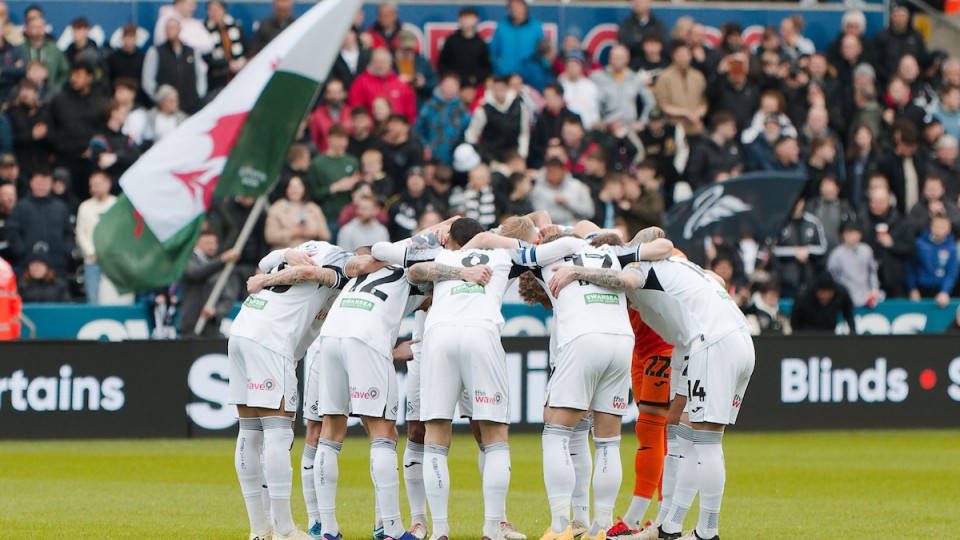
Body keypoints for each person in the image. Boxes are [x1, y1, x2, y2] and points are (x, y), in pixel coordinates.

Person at [548, 247, 755, 540]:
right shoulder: (686, 268)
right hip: (731, 340)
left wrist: (577, 272)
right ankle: (669, 527)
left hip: (713, 343)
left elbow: (627, 281)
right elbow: (716, 281)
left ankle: (708, 532)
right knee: (682, 428)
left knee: (707, 441)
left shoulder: (644, 270)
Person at [313, 231, 491, 540]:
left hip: (331, 336)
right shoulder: (415, 266)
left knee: (330, 429)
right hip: (365, 336)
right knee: (383, 431)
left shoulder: (371, 265)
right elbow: (434, 288)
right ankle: (392, 530)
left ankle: (326, 529)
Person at [229, 241, 378, 540]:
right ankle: (284, 530)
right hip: (272, 339)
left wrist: (283, 256)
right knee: (277, 432)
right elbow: (323, 273)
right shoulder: (343, 261)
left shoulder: (308, 246)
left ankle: (259, 529)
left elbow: (266, 259)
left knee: (249, 431)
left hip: (242, 330)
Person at [50, 61, 108, 197]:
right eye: (72, 74)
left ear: (89, 78)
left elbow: (104, 130)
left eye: (79, 75)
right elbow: (52, 127)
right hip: (65, 158)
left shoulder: (100, 102)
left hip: (89, 159)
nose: (74, 78)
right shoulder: (60, 100)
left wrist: (94, 148)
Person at [5, 169, 73, 275]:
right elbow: (12, 232)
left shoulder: (61, 207)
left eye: (45, 182)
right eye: (38, 182)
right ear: (31, 183)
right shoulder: (20, 207)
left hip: (57, 265)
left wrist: (65, 251)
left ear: (51, 184)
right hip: (27, 267)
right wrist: (21, 251)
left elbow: (69, 233)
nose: (42, 186)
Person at [177, 229, 240, 338]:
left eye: (215, 243)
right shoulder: (186, 259)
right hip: (190, 325)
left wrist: (216, 311)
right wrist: (222, 260)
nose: (212, 246)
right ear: (197, 242)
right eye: (208, 243)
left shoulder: (222, 268)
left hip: (211, 327)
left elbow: (228, 298)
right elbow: (196, 273)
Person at [142, 18, 207, 114]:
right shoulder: (155, 52)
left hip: (191, 105)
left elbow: (201, 73)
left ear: (180, 29)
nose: (171, 31)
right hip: (166, 109)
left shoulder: (191, 51)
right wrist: (158, 98)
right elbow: (148, 79)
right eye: (169, 28)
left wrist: (199, 95)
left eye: (174, 27)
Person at [306, 124, 360, 237]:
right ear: (329, 139)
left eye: (345, 139)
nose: (342, 143)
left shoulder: (352, 161)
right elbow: (313, 193)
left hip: (351, 217)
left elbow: (359, 186)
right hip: (328, 218)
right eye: (338, 139)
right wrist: (335, 187)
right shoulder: (317, 163)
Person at [464, 76, 531, 162]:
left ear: (507, 88)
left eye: (501, 89)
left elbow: (524, 133)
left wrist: (522, 154)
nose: (498, 92)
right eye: (495, 89)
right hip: (491, 157)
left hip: (514, 155)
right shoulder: (483, 110)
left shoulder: (519, 106)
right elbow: (471, 135)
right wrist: (481, 155)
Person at [75, 171, 116, 305]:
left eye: (97, 184)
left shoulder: (117, 204)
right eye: (91, 185)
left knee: (113, 299)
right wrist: (91, 252)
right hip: (91, 260)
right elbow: (81, 233)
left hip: (113, 260)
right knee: (93, 299)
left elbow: (120, 233)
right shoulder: (85, 206)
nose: (94, 189)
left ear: (108, 184)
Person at [591, 44, 653, 128]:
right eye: (614, 57)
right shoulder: (597, 77)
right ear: (609, 58)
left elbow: (650, 102)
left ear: (627, 59)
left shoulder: (635, 79)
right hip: (607, 127)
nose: (617, 61)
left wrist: (642, 122)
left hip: (630, 127)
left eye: (620, 57)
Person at [348, 48, 417, 124]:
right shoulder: (360, 83)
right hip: (372, 130)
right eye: (377, 62)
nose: (380, 66)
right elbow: (357, 111)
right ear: (371, 63)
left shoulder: (401, 84)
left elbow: (410, 113)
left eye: (384, 62)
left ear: (390, 64)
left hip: (398, 130)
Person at [415, 74, 471, 167]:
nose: (450, 89)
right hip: (432, 154)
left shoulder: (462, 109)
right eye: (447, 86)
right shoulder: (429, 106)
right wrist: (425, 145)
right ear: (441, 86)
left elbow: (468, 130)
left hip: (455, 156)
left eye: (453, 86)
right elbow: (419, 128)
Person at [265, 176, 331, 250]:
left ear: (304, 188)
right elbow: (270, 237)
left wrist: (315, 233)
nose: (295, 189)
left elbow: (326, 235)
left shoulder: (313, 208)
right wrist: (294, 232)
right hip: (285, 253)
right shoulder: (276, 208)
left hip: (312, 253)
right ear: (285, 188)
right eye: (291, 186)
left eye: (299, 186)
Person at [907, 213, 958, 308]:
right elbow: (911, 268)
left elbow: (951, 273)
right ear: (931, 227)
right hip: (921, 289)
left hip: (940, 291)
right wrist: (912, 289)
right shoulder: (919, 244)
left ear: (949, 229)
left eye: (943, 227)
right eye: (937, 226)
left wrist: (945, 291)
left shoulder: (951, 248)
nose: (939, 230)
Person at [826, 222, 880, 308]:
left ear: (860, 235)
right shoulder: (836, 254)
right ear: (843, 235)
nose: (852, 237)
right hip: (844, 298)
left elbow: (872, 271)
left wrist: (874, 289)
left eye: (854, 233)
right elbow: (832, 276)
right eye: (848, 234)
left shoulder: (866, 250)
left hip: (865, 297)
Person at [87, 99, 142, 182]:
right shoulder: (99, 140)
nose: (126, 117)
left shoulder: (128, 139)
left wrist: (115, 157)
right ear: (114, 113)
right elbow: (103, 163)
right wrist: (123, 157)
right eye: (124, 114)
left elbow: (135, 156)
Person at [685, 112, 743, 189]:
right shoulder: (702, 148)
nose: (734, 131)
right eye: (731, 127)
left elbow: (741, 162)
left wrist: (737, 170)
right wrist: (713, 180)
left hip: (733, 189)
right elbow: (693, 175)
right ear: (721, 127)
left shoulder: (733, 146)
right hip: (710, 191)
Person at [437, 7, 491, 87]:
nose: (465, 21)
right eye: (462, 18)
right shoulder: (451, 40)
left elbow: (486, 67)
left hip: (473, 86)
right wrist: (451, 78)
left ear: (476, 19)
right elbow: (442, 64)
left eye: (468, 18)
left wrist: (475, 78)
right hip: (453, 85)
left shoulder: (480, 43)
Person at [531, 158, 594, 225]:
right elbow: (541, 216)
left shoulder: (577, 186)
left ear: (563, 171)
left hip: (577, 229)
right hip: (551, 231)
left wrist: (567, 203)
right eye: (550, 172)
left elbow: (590, 212)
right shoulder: (538, 191)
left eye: (555, 172)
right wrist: (570, 216)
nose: (553, 176)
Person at [490, 0, 544, 77]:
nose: (515, 9)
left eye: (518, 6)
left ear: (525, 7)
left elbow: (542, 52)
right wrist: (497, 70)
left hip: (528, 77)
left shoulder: (536, 27)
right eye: (512, 7)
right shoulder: (502, 26)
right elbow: (493, 51)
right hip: (505, 75)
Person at [203, 0, 247, 95]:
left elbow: (245, 48)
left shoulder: (236, 27)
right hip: (216, 79)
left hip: (238, 76)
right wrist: (227, 64)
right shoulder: (204, 30)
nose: (213, 13)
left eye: (216, 10)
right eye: (210, 10)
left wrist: (240, 62)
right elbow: (206, 57)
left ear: (223, 10)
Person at [790, 272, 857, 334]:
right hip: (807, 335)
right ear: (816, 291)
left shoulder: (841, 293)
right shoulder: (804, 296)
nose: (825, 296)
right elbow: (795, 319)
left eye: (829, 292)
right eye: (822, 292)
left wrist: (853, 331)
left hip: (830, 333)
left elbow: (848, 313)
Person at [20, 15, 68, 91]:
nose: (38, 29)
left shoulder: (54, 49)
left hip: (51, 95)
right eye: (34, 26)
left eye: (41, 26)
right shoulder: (20, 49)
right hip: (25, 93)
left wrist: (57, 88)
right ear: (27, 29)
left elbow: (65, 72)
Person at [617, 0, 667, 67]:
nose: (637, 3)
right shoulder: (626, 24)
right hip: (632, 65)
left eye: (640, 1)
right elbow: (624, 43)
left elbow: (665, 43)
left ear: (649, 2)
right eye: (634, 1)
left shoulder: (658, 24)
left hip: (656, 65)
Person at [308, 79, 352, 155]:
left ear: (344, 94)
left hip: (348, 156)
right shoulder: (317, 115)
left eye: (337, 92)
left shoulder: (351, 113)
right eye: (330, 93)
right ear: (325, 95)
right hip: (325, 156)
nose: (334, 96)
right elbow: (314, 140)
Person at [394, 30, 437, 106]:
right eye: (405, 48)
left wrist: (423, 84)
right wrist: (396, 81)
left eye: (410, 48)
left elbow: (435, 83)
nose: (408, 51)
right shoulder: (391, 61)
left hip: (417, 103)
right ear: (399, 44)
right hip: (397, 102)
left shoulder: (422, 61)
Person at [559, 51, 600, 131]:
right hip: (566, 130)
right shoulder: (561, 85)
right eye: (569, 65)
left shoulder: (591, 87)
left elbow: (595, 111)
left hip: (587, 129)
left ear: (581, 66)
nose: (572, 68)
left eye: (575, 65)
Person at [107, 24, 145, 91]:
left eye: (132, 37)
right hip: (117, 94)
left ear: (136, 39)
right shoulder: (113, 58)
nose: (130, 40)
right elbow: (109, 79)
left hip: (137, 96)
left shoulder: (142, 58)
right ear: (123, 38)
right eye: (127, 37)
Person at [0, 252, 20, 340]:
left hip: (5, 339)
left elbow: (14, 303)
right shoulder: (5, 269)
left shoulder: (4, 270)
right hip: (5, 338)